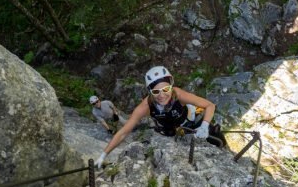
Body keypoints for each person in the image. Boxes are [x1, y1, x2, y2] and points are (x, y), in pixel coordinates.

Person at [95, 66, 225, 168]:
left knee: (215, 134)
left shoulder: (178, 94)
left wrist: (205, 125)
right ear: (150, 91)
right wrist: (104, 154)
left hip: (190, 122)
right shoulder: (145, 106)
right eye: (156, 91)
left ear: (171, 86)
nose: (162, 95)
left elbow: (209, 105)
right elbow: (123, 133)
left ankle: (223, 147)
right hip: (170, 131)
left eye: (166, 89)